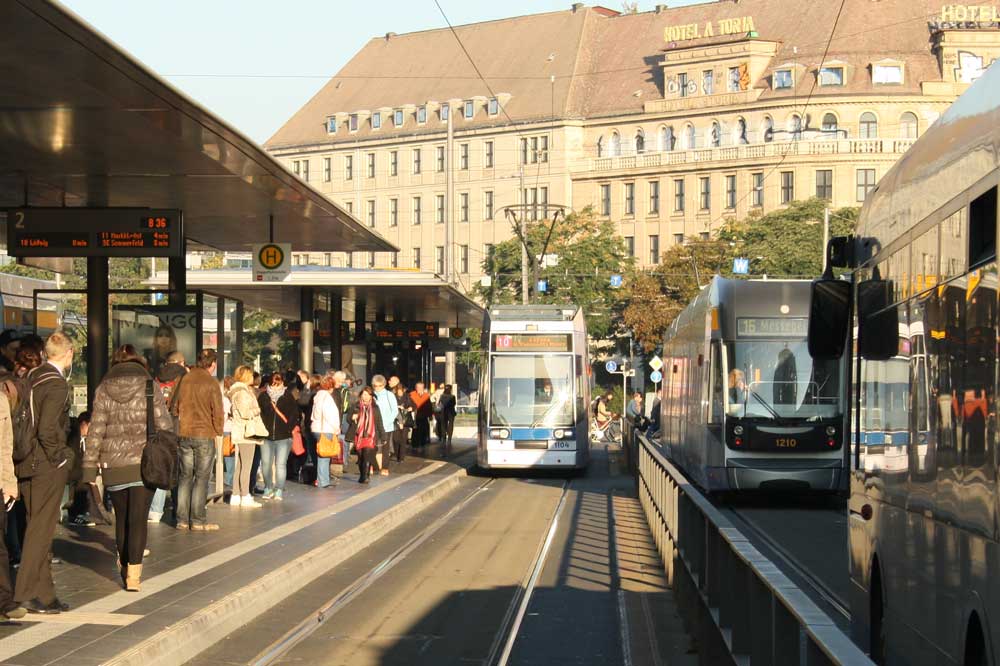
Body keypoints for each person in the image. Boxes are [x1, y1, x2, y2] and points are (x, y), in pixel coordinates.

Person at [83, 345, 172, 591]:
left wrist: (89, 467)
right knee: (138, 519)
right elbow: (165, 424)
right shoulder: (148, 386)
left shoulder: (103, 389)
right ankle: (134, 574)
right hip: (144, 464)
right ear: (139, 362)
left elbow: (96, 430)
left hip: (113, 466)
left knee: (121, 519)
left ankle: (123, 564)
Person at [15, 331, 73, 614]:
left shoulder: (32, 376)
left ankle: (45, 593)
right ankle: (25, 592)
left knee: (35, 527)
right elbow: (48, 429)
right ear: (69, 354)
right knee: (41, 531)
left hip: (25, 461)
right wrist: (60, 458)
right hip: (45, 465)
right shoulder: (57, 384)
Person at [171, 349, 224, 531]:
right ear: (213, 364)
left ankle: (182, 520)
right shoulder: (211, 382)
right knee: (201, 478)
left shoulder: (184, 379)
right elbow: (217, 410)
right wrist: (218, 430)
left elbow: (174, 407)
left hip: (184, 433)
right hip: (204, 434)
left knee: (185, 477)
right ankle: (198, 520)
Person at [0, 377, 24, 619]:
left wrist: (9, 484)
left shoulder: (1, 402)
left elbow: (5, 446)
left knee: (1, 546)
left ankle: (4, 602)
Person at [257, 373, 299, 500]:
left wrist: (288, 428)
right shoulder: (263, 396)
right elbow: (260, 414)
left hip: (284, 437)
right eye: (273, 384)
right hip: (266, 436)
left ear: (283, 383)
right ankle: (268, 487)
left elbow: (294, 415)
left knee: (280, 464)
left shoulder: (288, 397)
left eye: (278, 384)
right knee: (265, 464)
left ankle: (279, 489)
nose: (276, 387)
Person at [227, 367, 262, 508]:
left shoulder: (236, 391)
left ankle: (236, 494)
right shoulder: (243, 392)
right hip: (246, 432)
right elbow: (245, 412)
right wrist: (257, 410)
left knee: (240, 465)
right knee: (246, 466)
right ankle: (245, 495)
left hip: (240, 430)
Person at [346, 387, 383, 484]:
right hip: (358, 436)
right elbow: (348, 419)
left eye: (367, 395)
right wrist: (352, 417)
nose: (365, 397)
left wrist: (383, 436)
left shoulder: (375, 407)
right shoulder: (356, 406)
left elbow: (379, 423)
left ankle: (366, 476)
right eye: (364, 394)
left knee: (367, 455)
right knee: (361, 457)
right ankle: (362, 475)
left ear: (371, 396)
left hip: (371, 435)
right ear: (361, 395)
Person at [311, 374, 341, 488]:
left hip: (317, 428)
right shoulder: (327, 398)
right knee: (324, 456)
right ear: (330, 387)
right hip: (326, 429)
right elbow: (330, 415)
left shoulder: (317, 396)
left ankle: (321, 479)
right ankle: (323, 481)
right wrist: (336, 427)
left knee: (320, 454)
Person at [371, 375, 397, 477]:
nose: (377, 388)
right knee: (374, 447)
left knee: (385, 447)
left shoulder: (389, 395)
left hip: (386, 426)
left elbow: (395, 410)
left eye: (379, 386)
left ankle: (385, 467)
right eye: (375, 386)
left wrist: (388, 422)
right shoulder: (371, 395)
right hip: (374, 426)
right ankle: (375, 466)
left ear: (384, 385)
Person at [391, 381, 411, 464]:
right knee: (396, 439)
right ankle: (396, 454)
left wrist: (410, 408)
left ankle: (401, 457)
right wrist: (397, 406)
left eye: (401, 391)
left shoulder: (407, 397)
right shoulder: (393, 397)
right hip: (395, 421)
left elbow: (413, 405)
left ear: (403, 390)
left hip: (405, 420)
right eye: (398, 390)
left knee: (403, 439)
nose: (399, 392)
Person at [409, 382, 432, 448]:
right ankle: (415, 444)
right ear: (415, 388)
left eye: (421, 387)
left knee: (424, 430)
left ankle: (423, 443)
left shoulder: (426, 395)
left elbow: (429, 406)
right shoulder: (412, 394)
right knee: (415, 430)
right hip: (415, 415)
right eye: (418, 387)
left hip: (424, 415)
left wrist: (430, 415)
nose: (420, 389)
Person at [437, 385, 457, 450]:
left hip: (443, 412)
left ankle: (443, 438)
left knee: (443, 425)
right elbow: (454, 404)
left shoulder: (442, 396)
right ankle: (449, 439)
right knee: (450, 425)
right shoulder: (453, 396)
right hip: (451, 412)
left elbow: (439, 404)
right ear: (450, 389)